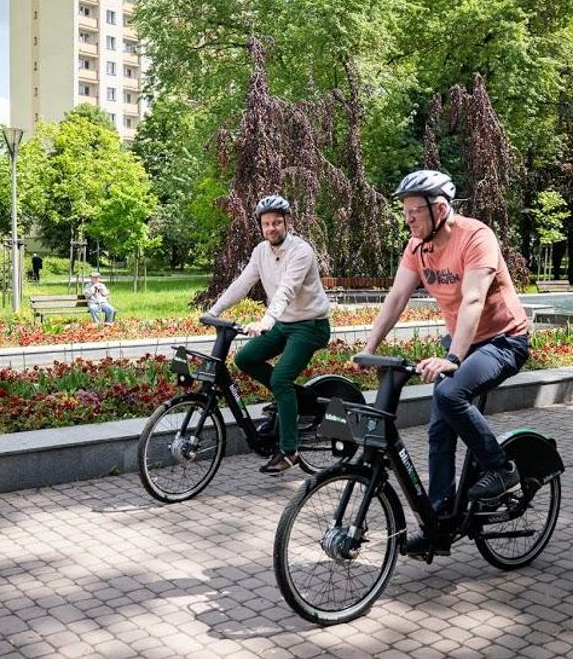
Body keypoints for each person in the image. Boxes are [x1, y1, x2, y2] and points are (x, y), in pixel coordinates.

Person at [357, 170, 530, 554]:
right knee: (439, 430)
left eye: (414, 212)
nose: (408, 219)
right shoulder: (416, 247)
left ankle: (502, 469)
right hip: (461, 341)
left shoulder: (477, 237)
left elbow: (472, 300)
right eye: (404, 212)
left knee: (451, 394)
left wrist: (453, 357)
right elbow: (397, 296)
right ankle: (439, 522)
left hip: (503, 340)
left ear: (440, 208)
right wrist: (370, 347)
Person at [208, 195, 331, 475]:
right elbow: (243, 283)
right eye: (266, 224)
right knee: (245, 359)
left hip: (310, 325)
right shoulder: (261, 251)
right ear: (261, 227)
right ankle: (294, 399)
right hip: (283, 323)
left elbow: (287, 289)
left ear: (287, 222)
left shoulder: (301, 251)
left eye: (277, 222)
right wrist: (214, 310)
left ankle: (290, 451)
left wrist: (266, 319)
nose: (272, 228)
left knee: (280, 378)